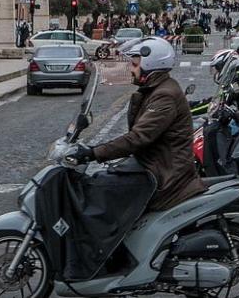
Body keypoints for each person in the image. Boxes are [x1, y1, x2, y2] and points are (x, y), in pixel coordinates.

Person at [72, 37, 207, 211]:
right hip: (155, 165)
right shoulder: (156, 89)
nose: (131, 69)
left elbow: (138, 137)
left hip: (164, 175)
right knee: (105, 180)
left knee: (101, 192)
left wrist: (93, 153)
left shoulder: (164, 95)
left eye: (135, 65)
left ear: (150, 65)